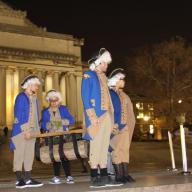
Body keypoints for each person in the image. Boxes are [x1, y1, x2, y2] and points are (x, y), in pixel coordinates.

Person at [81, 48, 123, 188]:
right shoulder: (88, 75)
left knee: (104, 146)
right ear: (97, 62)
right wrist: (92, 117)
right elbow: (85, 97)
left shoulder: (104, 78)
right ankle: (94, 177)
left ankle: (104, 175)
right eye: (104, 63)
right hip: (96, 117)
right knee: (96, 145)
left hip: (106, 116)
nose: (106, 66)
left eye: (106, 63)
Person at [9, 74, 43, 189]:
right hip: (21, 131)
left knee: (29, 155)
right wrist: (26, 130)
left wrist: (37, 131)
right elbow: (19, 114)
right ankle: (19, 180)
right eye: (36, 85)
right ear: (30, 84)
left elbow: (36, 115)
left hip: (33, 131)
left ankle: (28, 178)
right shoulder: (21, 97)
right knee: (19, 155)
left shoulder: (34, 97)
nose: (37, 87)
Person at [41, 89, 75, 184]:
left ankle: (69, 176)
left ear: (59, 100)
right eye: (51, 101)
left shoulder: (64, 109)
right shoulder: (45, 111)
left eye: (55, 100)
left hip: (63, 136)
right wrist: (48, 125)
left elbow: (72, 120)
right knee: (55, 157)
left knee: (65, 156)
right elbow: (43, 124)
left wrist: (59, 123)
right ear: (49, 101)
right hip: (51, 137)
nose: (53, 103)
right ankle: (56, 177)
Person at [108, 68, 136, 183]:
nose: (124, 81)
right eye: (121, 79)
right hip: (116, 127)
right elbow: (109, 111)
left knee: (125, 150)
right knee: (117, 150)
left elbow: (129, 112)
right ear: (115, 80)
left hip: (125, 127)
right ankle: (119, 175)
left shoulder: (124, 95)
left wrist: (128, 125)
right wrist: (113, 126)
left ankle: (125, 174)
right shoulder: (109, 94)